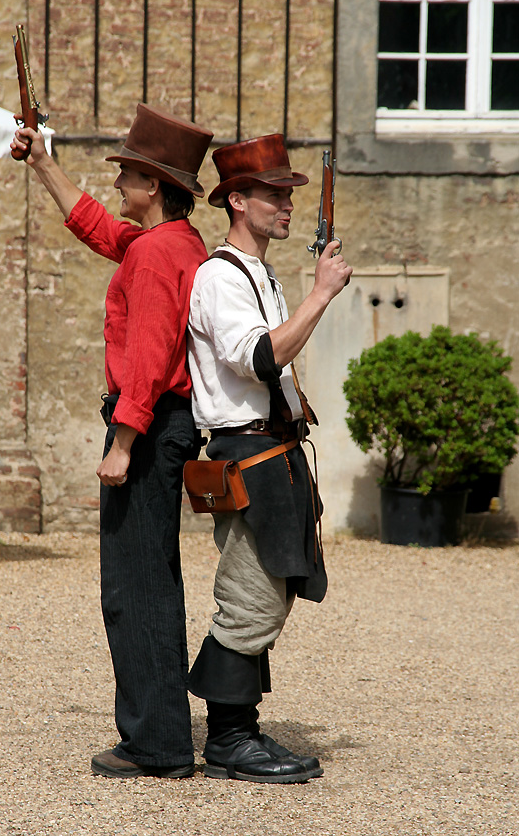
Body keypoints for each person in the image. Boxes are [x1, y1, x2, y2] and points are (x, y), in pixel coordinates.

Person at [11, 104, 213, 779]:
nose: (120, 183)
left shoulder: (156, 257)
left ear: (153, 185)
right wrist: (44, 164)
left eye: (127, 173)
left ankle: (156, 746)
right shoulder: (176, 241)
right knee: (148, 580)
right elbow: (100, 228)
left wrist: (123, 442)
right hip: (165, 423)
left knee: (137, 588)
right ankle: (158, 734)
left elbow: (149, 359)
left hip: (150, 428)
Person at [186, 133, 353, 784]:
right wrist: (321, 294)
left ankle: (241, 729)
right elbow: (257, 358)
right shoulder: (218, 276)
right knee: (250, 597)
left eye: (288, 193)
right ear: (236, 200)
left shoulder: (261, 273)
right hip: (246, 454)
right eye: (273, 194)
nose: (286, 205)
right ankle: (229, 738)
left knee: (272, 589)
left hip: (274, 450)